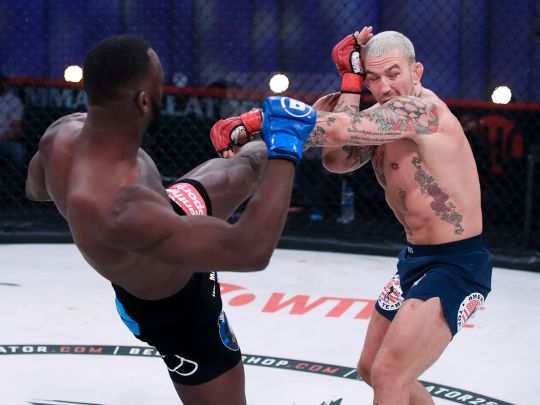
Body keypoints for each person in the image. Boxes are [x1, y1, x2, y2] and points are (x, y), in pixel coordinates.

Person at [25, 34, 316, 404]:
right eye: (159, 84)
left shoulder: (60, 136)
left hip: (167, 217)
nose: (164, 91)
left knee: (247, 165)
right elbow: (251, 250)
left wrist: (275, 133)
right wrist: (286, 149)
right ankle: (290, 135)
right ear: (144, 100)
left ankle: (317, 124)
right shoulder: (118, 209)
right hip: (176, 307)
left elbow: (37, 188)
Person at [308, 29, 493, 404]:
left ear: (416, 71)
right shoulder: (383, 119)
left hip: (456, 264)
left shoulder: (422, 112)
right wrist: (350, 83)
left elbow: (337, 130)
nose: (385, 86)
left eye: (393, 74)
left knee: (389, 373)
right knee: (371, 367)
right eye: (373, 78)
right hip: (414, 260)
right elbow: (337, 158)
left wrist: (256, 124)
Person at [0, 72, 26, 201]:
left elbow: (15, 129)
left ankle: (10, 192)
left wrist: (2, 138)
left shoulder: (13, 101)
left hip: (5, 140)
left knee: (18, 152)